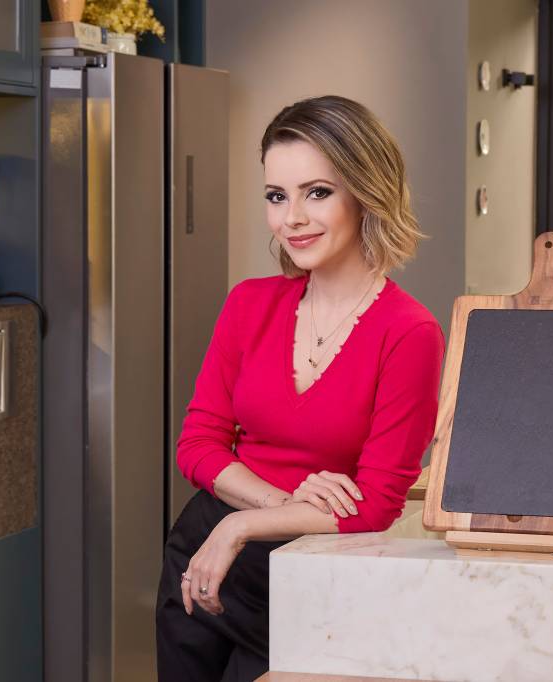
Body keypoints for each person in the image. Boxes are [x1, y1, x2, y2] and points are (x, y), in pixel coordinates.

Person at [155, 94, 445, 681]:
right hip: (204, 560)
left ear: (367, 193)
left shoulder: (410, 332)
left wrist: (241, 524)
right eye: (276, 195)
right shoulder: (248, 304)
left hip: (314, 579)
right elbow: (198, 444)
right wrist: (276, 504)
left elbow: (378, 502)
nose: (292, 218)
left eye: (317, 192)